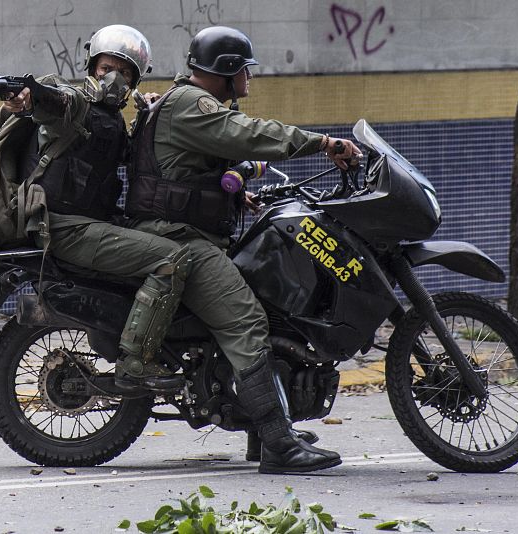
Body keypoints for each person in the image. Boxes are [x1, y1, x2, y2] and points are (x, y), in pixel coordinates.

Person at [124, 26, 362, 474]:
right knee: (246, 321)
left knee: (266, 304)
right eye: (245, 70)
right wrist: (323, 143)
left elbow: (187, 168)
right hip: (179, 238)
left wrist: (236, 194)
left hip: (186, 228)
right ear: (227, 70)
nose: (250, 80)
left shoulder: (184, 101)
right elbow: (249, 134)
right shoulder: (193, 103)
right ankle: (278, 446)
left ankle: (267, 424)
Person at [2, 24, 187, 390]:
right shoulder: (77, 104)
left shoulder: (112, 119)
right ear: (92, 67)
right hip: (64, 226)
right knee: (172, 259)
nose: (115, 78)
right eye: (107, 69)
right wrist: (27, 98)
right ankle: (135, 361)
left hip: (86, 222)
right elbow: (53, 101)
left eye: (125, 72)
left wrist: (149, 118)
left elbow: (138, 163)